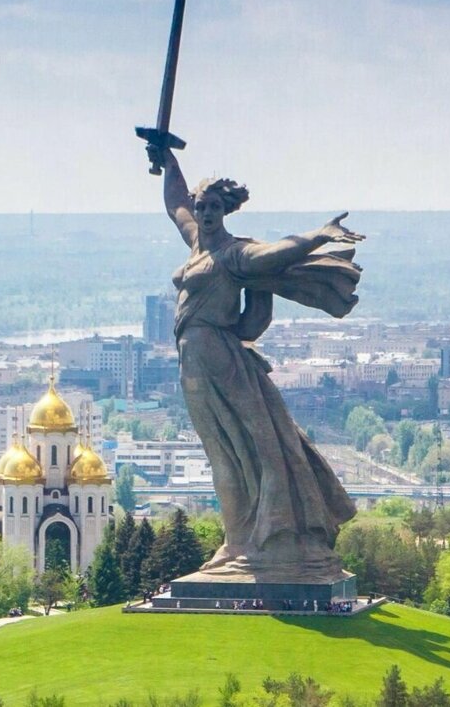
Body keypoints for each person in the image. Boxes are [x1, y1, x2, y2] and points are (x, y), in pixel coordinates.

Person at [153, 145, 362, 581]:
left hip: (221, 359)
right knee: (223, 455)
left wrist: (320, 235)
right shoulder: (197, 241)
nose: (205, 213)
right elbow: (175, 205)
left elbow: (279, 253)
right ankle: (236, 541)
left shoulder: (235, 254)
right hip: (192, 363)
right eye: (201, 206)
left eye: (213, 207)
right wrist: (168, 159)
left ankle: (273, 535)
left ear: (225, 210)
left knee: (257, 447)